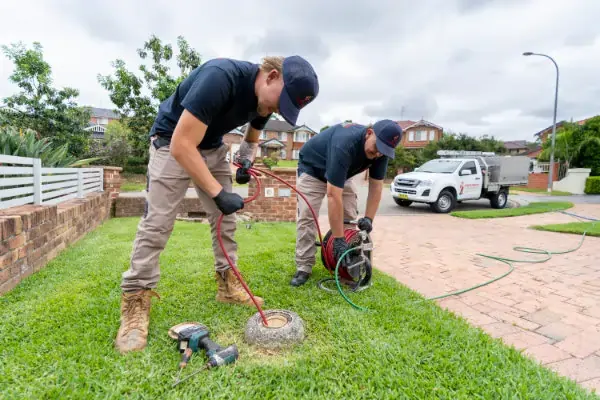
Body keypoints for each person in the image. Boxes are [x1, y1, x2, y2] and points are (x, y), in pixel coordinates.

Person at [116, 55, 319, 353]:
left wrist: (246, 156)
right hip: (171, 143)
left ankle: (227, 284)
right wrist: (218, 193)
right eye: (281, 101)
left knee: (225, 220)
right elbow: (181, 145)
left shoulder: (265, 98)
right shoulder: (220, 77)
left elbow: (254, 128)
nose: (277, 109)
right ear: (271, 76)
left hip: (211, 149)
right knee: (157, 223)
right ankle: (135, 300)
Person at [290, 120, 403, 287]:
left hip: (343, 172)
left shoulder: (381, 152)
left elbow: (376, 187)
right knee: (308, 217)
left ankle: (346, 264)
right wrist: (338, 238)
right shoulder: (344, 143)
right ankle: (304, 266)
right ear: (369, 133)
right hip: (313, 169)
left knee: (349, 216)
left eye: (384, 150)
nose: (378, 153)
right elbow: (333, 195)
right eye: (377, 146)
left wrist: (369, 219)